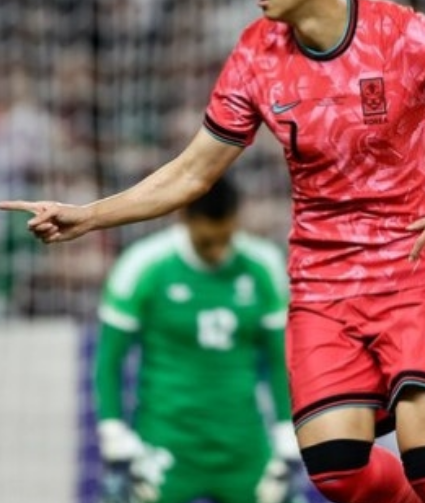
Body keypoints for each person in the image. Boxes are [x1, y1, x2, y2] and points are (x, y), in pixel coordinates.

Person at [2, 0, 425, 503]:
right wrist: (88, 216)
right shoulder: (255, 56)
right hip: (323, 287)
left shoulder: (405, 37)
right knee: (336, 472)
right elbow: (193, 172)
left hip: (415, 272)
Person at [94, 174, 303, 503]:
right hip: (165, 442)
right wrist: (113, 433)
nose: (217, 251)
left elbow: (280, 359)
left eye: (225, 239)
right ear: (183, 219)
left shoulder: (263, 265)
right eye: (207, 242)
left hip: (244, 446)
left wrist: (285, 434)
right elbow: (109, 360)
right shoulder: (142, 265)